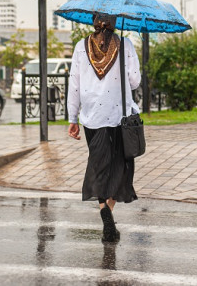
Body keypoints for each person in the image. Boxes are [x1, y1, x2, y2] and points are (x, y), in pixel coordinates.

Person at [67, 13, 141, 243]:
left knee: (99, 165)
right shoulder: (125, 43)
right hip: (120, 116)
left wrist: (72, 117)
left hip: (92, 116)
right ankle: (108, 211)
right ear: (114, 24)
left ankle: (104, 212)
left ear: (94, 24)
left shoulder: (81, 46)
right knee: (120, 165)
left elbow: (74, 84)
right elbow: (135, 80)